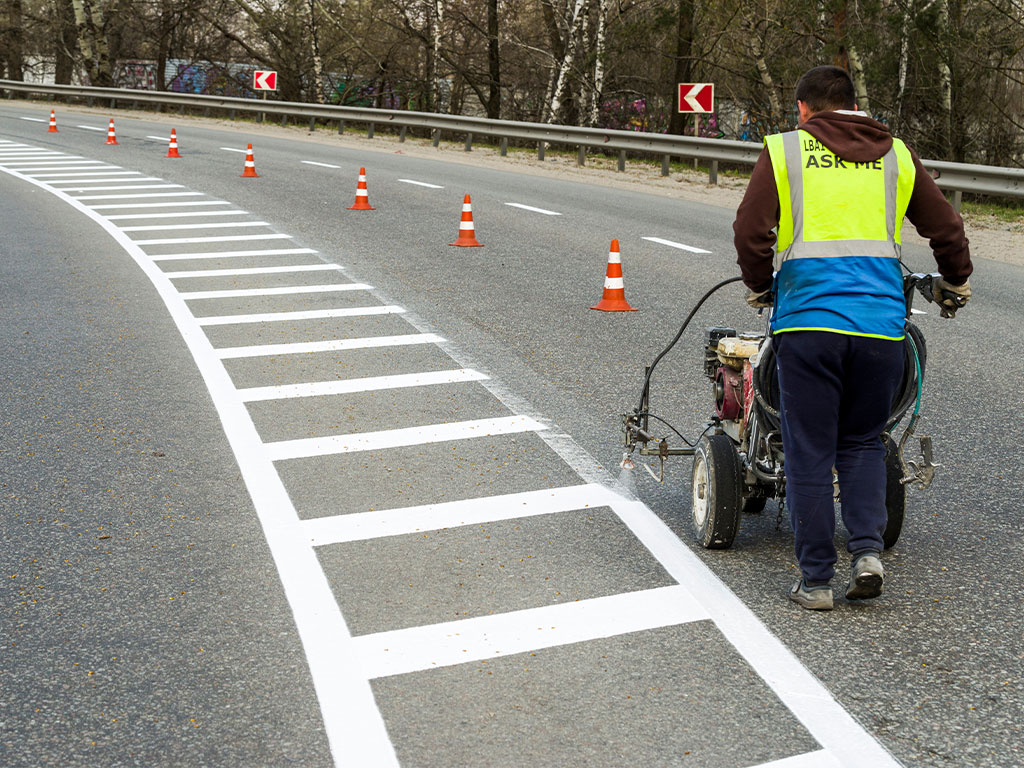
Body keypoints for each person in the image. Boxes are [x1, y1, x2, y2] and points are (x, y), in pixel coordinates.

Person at [733, 65, 973, 610]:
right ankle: (866, 552)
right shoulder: (897, 155)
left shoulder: (785, 151)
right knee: (863, 441)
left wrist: (759, 284)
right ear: (853, 105)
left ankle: (816, 580)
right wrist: (955, 280)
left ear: (803, 109)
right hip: (881, 327)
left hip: (808, 324)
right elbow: (946, 228)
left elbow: (751, 229)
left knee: (810, 449)